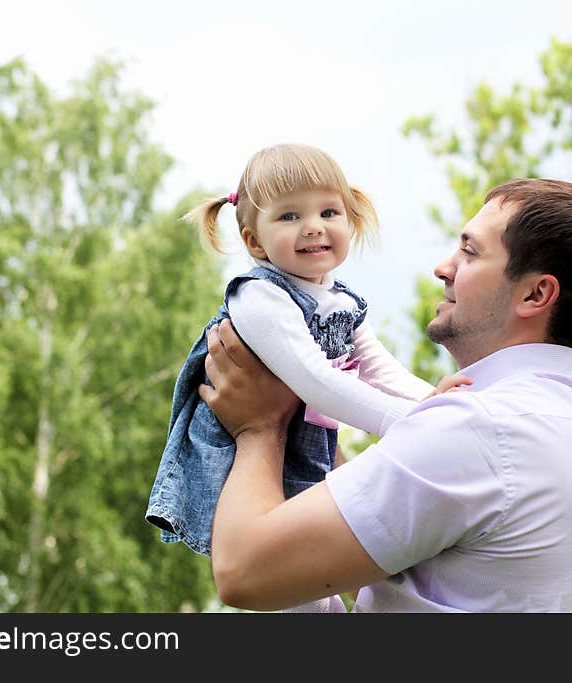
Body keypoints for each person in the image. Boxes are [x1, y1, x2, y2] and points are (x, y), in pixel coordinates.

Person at [200, 178, 572, 612]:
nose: (444, 268)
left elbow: (243, 572)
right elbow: (378, 557)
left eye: (470, 252)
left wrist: (260, 429)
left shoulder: (477, 427)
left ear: (535, 294)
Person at [146, 143, 462, 556]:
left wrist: (433, 403)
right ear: (255, 242)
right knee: (289, 573)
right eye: (290, 216)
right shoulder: (259, 296)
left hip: (303, 444)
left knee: (320, 568)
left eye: (328, 212)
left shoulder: (341, 300)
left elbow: (377, 367)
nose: (313, 226)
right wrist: (408, 422)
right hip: (244, 458)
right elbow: (316, 380)